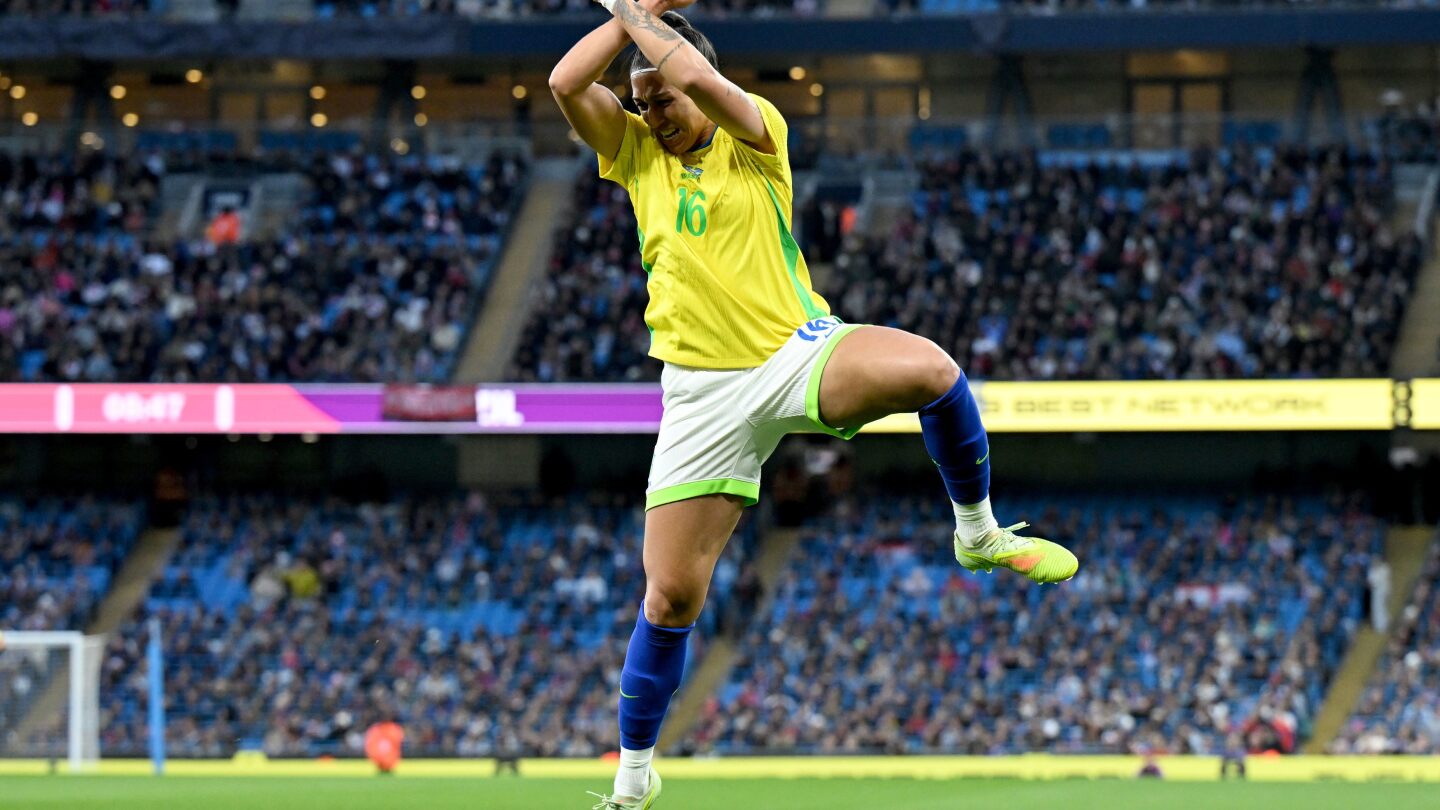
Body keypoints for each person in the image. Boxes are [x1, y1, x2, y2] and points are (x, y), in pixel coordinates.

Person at [549, 3, 1080, 807]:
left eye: (662, 98)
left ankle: (977, 535)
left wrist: (636, 13)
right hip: (699, 393)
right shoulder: (632, 155)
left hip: (793, 352)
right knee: (670, 598)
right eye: (643, 100)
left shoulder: (756, 137)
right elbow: (562, 82)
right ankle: (632, 780)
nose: (654, 112)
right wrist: (634, 20)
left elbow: (694, 72)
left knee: (934, 371)